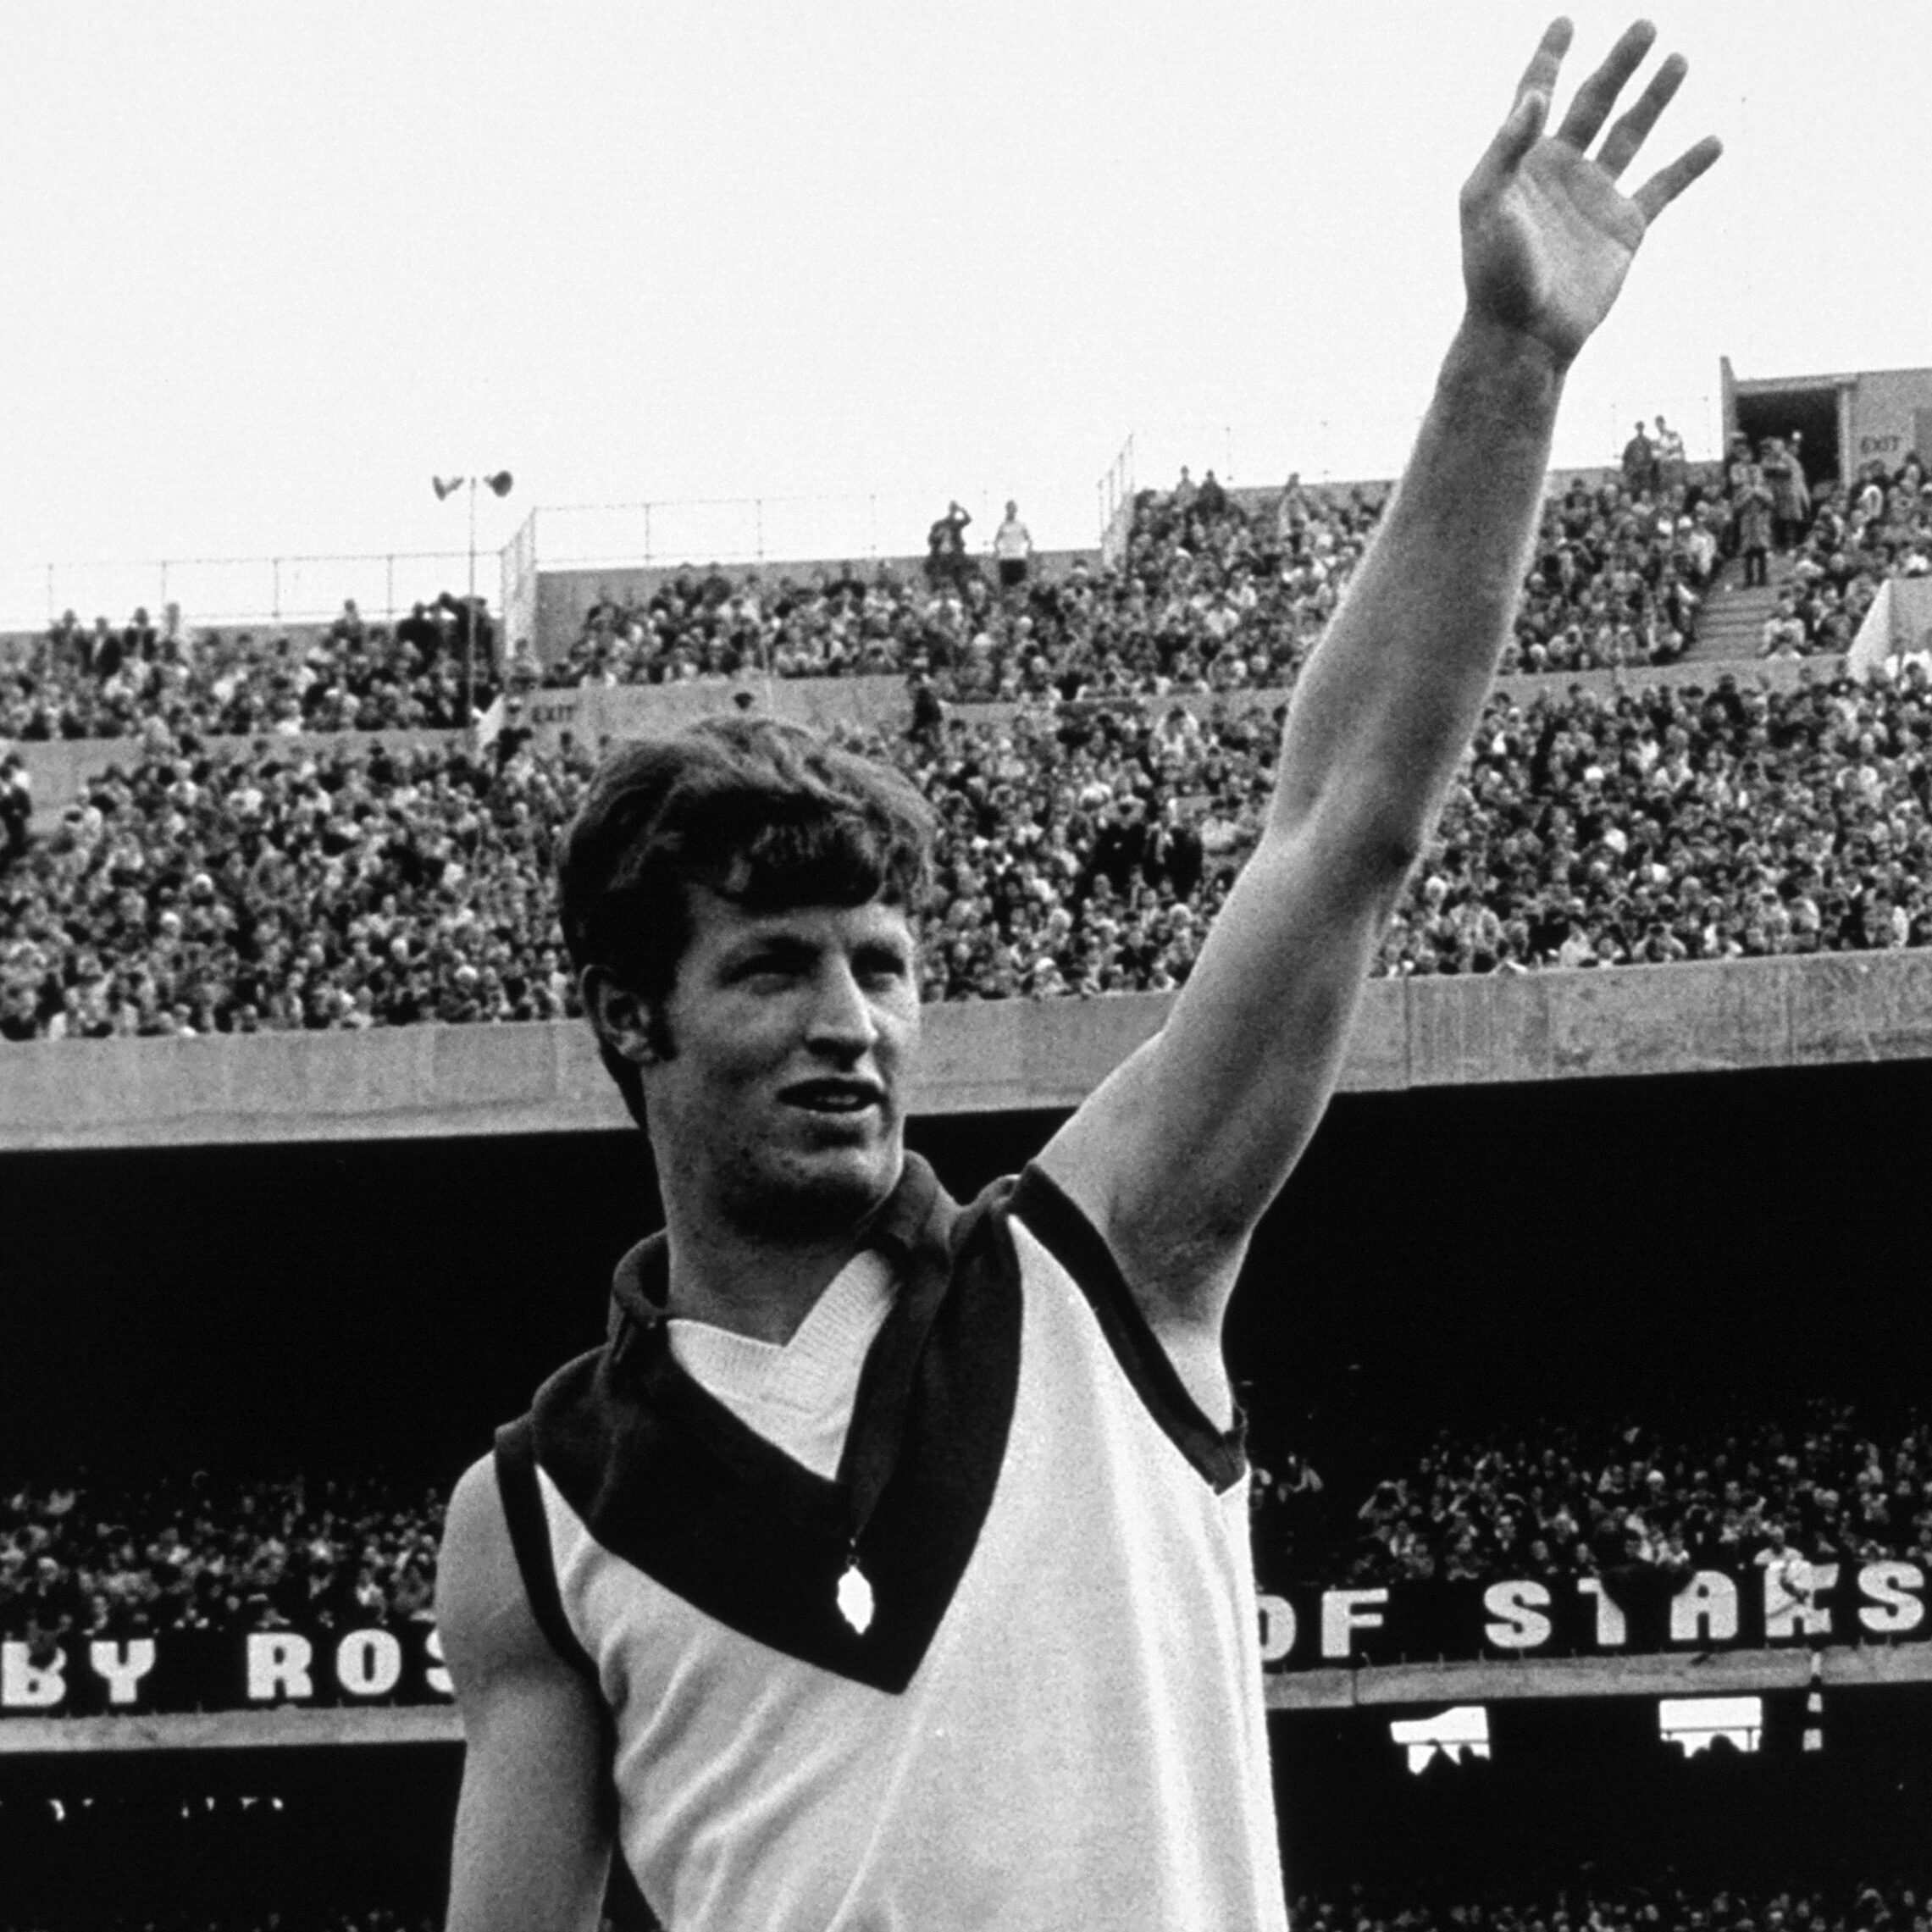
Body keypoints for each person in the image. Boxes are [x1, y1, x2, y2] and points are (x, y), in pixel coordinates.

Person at [435, 21, 1719, 1930]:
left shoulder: (1107, 1263)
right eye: (774, 970)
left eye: (881, 966)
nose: (850, 1025)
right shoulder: (531, 1517)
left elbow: (1342, 826)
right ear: (630, 1019)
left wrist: (1510, 360)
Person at [991, 498, 1034, 590]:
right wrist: (997, 551)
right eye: (1009, 508)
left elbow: (1029, 540)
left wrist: (1027, 551)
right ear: (1006, 510)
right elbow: (996, 541)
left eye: (1013, 508)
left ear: (1016, 510)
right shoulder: (1003, 525)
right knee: (1006, 587)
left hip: (1019, 558)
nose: (1011, 511)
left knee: (1021, 586)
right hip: (1006, 559)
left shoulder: (1021, 524)